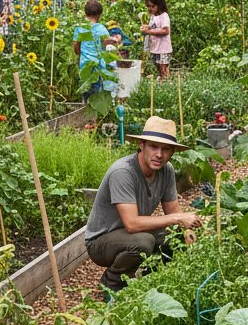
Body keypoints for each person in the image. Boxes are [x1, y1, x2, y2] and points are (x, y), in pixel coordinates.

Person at [85, 116, 202, 295]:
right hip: (101, 242)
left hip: (130, 234)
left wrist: (188, 230)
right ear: (141, 145)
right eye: (153, 146)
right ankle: (112, 284)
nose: (159, 154)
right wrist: (178, 218)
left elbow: (173, 211)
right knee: (144, 242)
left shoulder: (166, 170)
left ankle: (151, 280)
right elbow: (131, 224)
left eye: (166, 149)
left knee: (175, 235)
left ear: (172, 152)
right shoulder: (123, 172)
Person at [72, 0, 123, 99]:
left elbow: (76, 46)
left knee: (85, 89)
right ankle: (93, 112)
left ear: (85, 13)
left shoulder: (80, 28)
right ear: (99, 15)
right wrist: (116, 39)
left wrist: (80, 54)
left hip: (84, 66)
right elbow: (106, 43)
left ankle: (85, 108)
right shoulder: (101, 28)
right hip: (97, 66)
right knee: (95, 92)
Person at [140, 0, 172, 78]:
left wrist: (149, 32)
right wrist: (146, 27)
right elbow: (152, 27)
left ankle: (166, 83)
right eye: (148, 6)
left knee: (163, 69)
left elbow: (165, 31)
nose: (150, 9)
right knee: (158, 68)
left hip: (163, 49)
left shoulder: (164, 16)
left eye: (153, 6)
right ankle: (161, 83)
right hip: (155, 48)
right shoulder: (153, 16)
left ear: (159, 5)